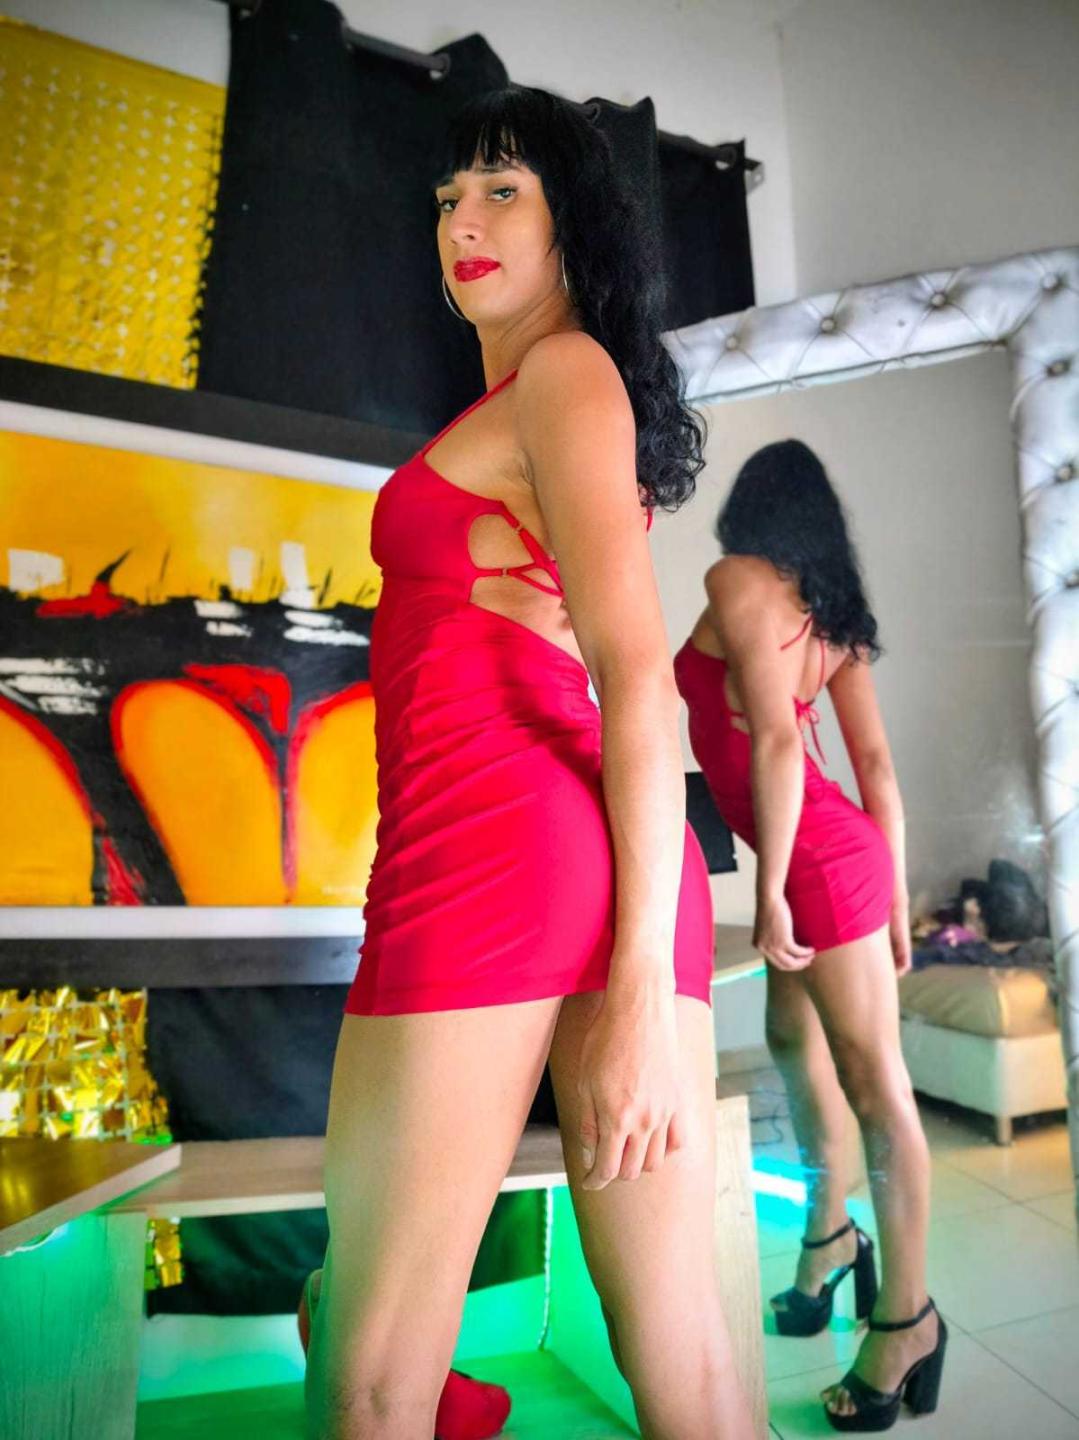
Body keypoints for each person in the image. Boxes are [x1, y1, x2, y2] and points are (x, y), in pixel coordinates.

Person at [303, 85, 755, 1440]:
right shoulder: (535, 396)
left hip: (494, 849)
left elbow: (634, 671)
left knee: (367, 1377)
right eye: (448, 197)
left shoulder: (563, 373)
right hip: (566, 849)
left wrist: (635, 995)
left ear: (574, 225)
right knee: (686, 1363)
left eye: (502, 190)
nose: (463, 220)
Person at [673, 440, 947, 1433]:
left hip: (818, 865)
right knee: (793, 1043)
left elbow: (783, 743)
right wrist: (889, 902)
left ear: (753, 508)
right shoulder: (826, 620)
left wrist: (780, 893)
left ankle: (905, 1321)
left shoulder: (735, 578)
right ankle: (828, 1240)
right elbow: (876, 776)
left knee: (877, 1090)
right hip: (828, 856)